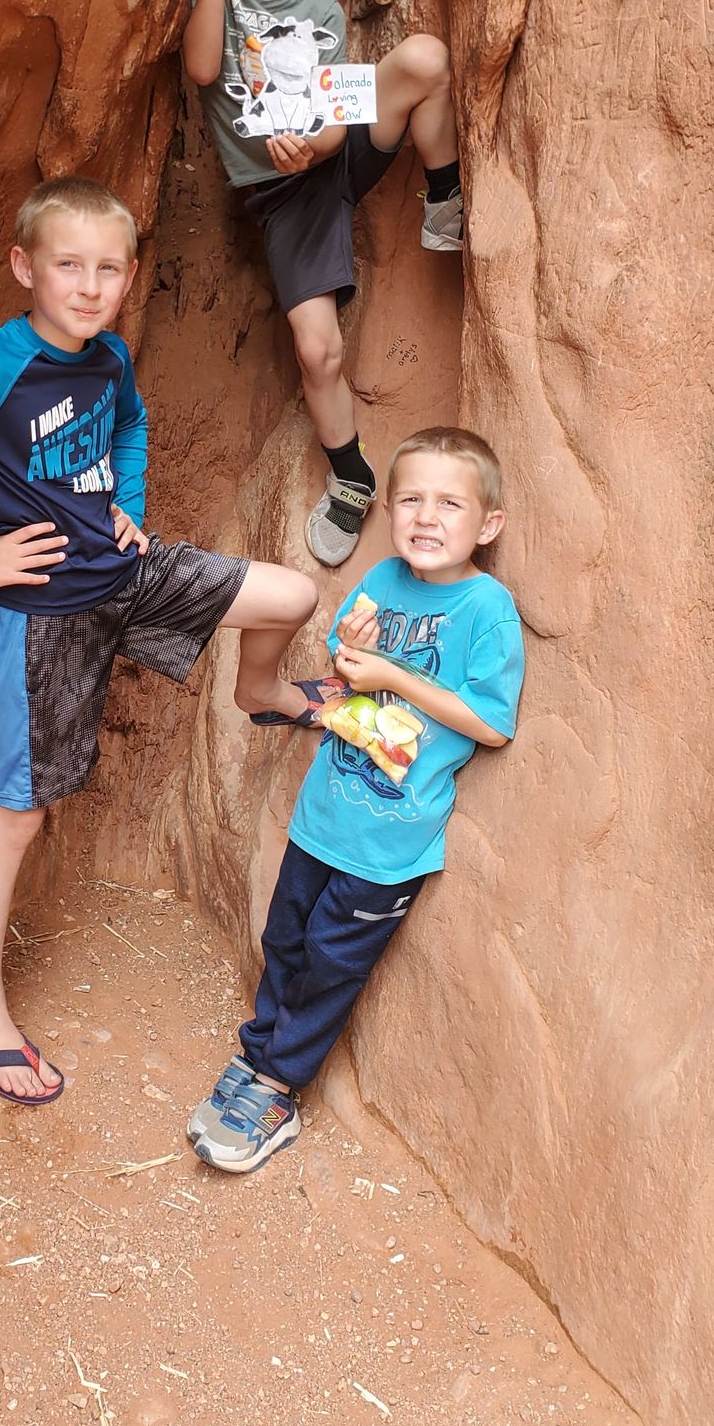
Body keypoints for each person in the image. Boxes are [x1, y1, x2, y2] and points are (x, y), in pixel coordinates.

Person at [0, 176, 331, 1106]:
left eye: (109, 269)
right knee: (16, 816)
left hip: (123, 578)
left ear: (130, 276)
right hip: (39, 619)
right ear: (25, 267)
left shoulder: (108, 357)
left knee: (292, 594)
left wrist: (126, 505)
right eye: (68, 265)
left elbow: (131, 424)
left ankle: (260, 691)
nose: (89, 285)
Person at [189, 427, 524, 1173]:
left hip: (389, 843)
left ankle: (277, 1089)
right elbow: (346, 669)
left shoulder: (487, 609)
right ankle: (258, 1053)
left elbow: (492, 724)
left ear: (488, 525)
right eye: (410, 500)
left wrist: (393, 676)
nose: (426, 518)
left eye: (449, 504)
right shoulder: (381, 576)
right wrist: (350, 647)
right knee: (285, 939)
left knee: (330, 962)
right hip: (324, 813)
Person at [182, 0, 463, 570]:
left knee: (425, 59)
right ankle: (351, 475)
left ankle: (445, 200)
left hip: (329, 155)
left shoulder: (319, 8)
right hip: (282, 195)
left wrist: (313, 146)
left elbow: (334, 116)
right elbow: (204, 67)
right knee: (318, 348)